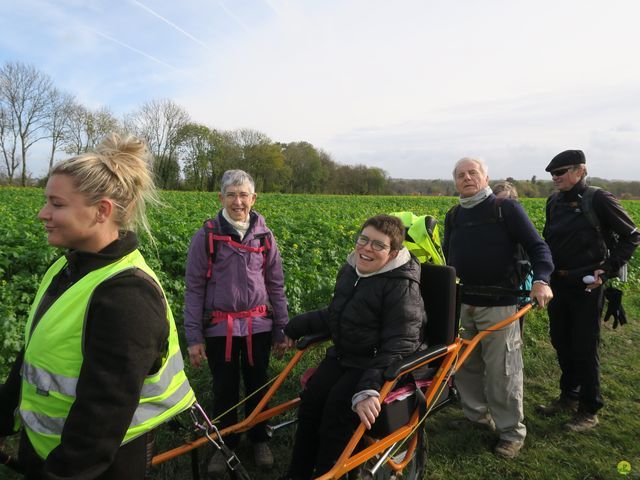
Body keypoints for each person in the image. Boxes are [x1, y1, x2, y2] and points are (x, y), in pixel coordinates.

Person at [0, 133, 195, 479]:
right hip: (48, 449)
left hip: (98, 466)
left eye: (57, 204)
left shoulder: (127, 297)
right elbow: (34, 353)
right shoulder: (67, 266)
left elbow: (101, 418)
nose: (42, 213)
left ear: (102, 211)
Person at [278, 214, 427, 480]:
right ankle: (297, 474)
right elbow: (339, 313)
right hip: (344, 357)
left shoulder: (402, 286)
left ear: (393, 253)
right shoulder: (352, 271)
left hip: (373, 364)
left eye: (378, 245)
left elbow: (401, 342)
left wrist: (370, 387)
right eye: (364, 239)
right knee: (311, 402)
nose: (367, 248)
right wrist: (296, 326)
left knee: (338, 411)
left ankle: (328, 475)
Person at [443, 158, 554, 459]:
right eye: (460, 175)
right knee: (466, 366)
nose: (467, 178)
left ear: (486, 177)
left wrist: (542, 280)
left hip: (500, 304)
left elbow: (539, 248)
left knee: (502, 372)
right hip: (465, 303)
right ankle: (477, 418)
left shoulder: (506, 209)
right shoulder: (454, 216)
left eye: (473, 173)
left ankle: (510, 433)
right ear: (455, 181)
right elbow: (448, 257)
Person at [183, 169, 289, 474]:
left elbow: (276, 285)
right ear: (221, 198)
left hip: (259, 326)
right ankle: (225, 444)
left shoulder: (266, 237)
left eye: (243, 195)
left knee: (259, 385)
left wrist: (282, 329)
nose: (238, 201)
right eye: (231, 194)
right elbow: (194, 289)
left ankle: (259, 439)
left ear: (253, 199)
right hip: (220, 328)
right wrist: (194, 338)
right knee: (224, 389)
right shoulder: (206, 237)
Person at [538, 150, 640, 432]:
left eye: (561, 172)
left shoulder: (599, 199)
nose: (555, 178)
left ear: (580, 170)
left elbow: (632, 236)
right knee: (561, 341)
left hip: (586, 285)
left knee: (585, 346)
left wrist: (607, 269)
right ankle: (568, 397)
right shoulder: (553, 202)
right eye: (552, 174)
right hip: (558, 283)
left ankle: (589, 408)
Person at [492, 181, 532, 336]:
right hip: (494, 295)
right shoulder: (490, 225)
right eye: (498, 202)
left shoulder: (521, 225)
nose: (503, 207)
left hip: (516, 291)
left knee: (513, 336)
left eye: (507, 202)